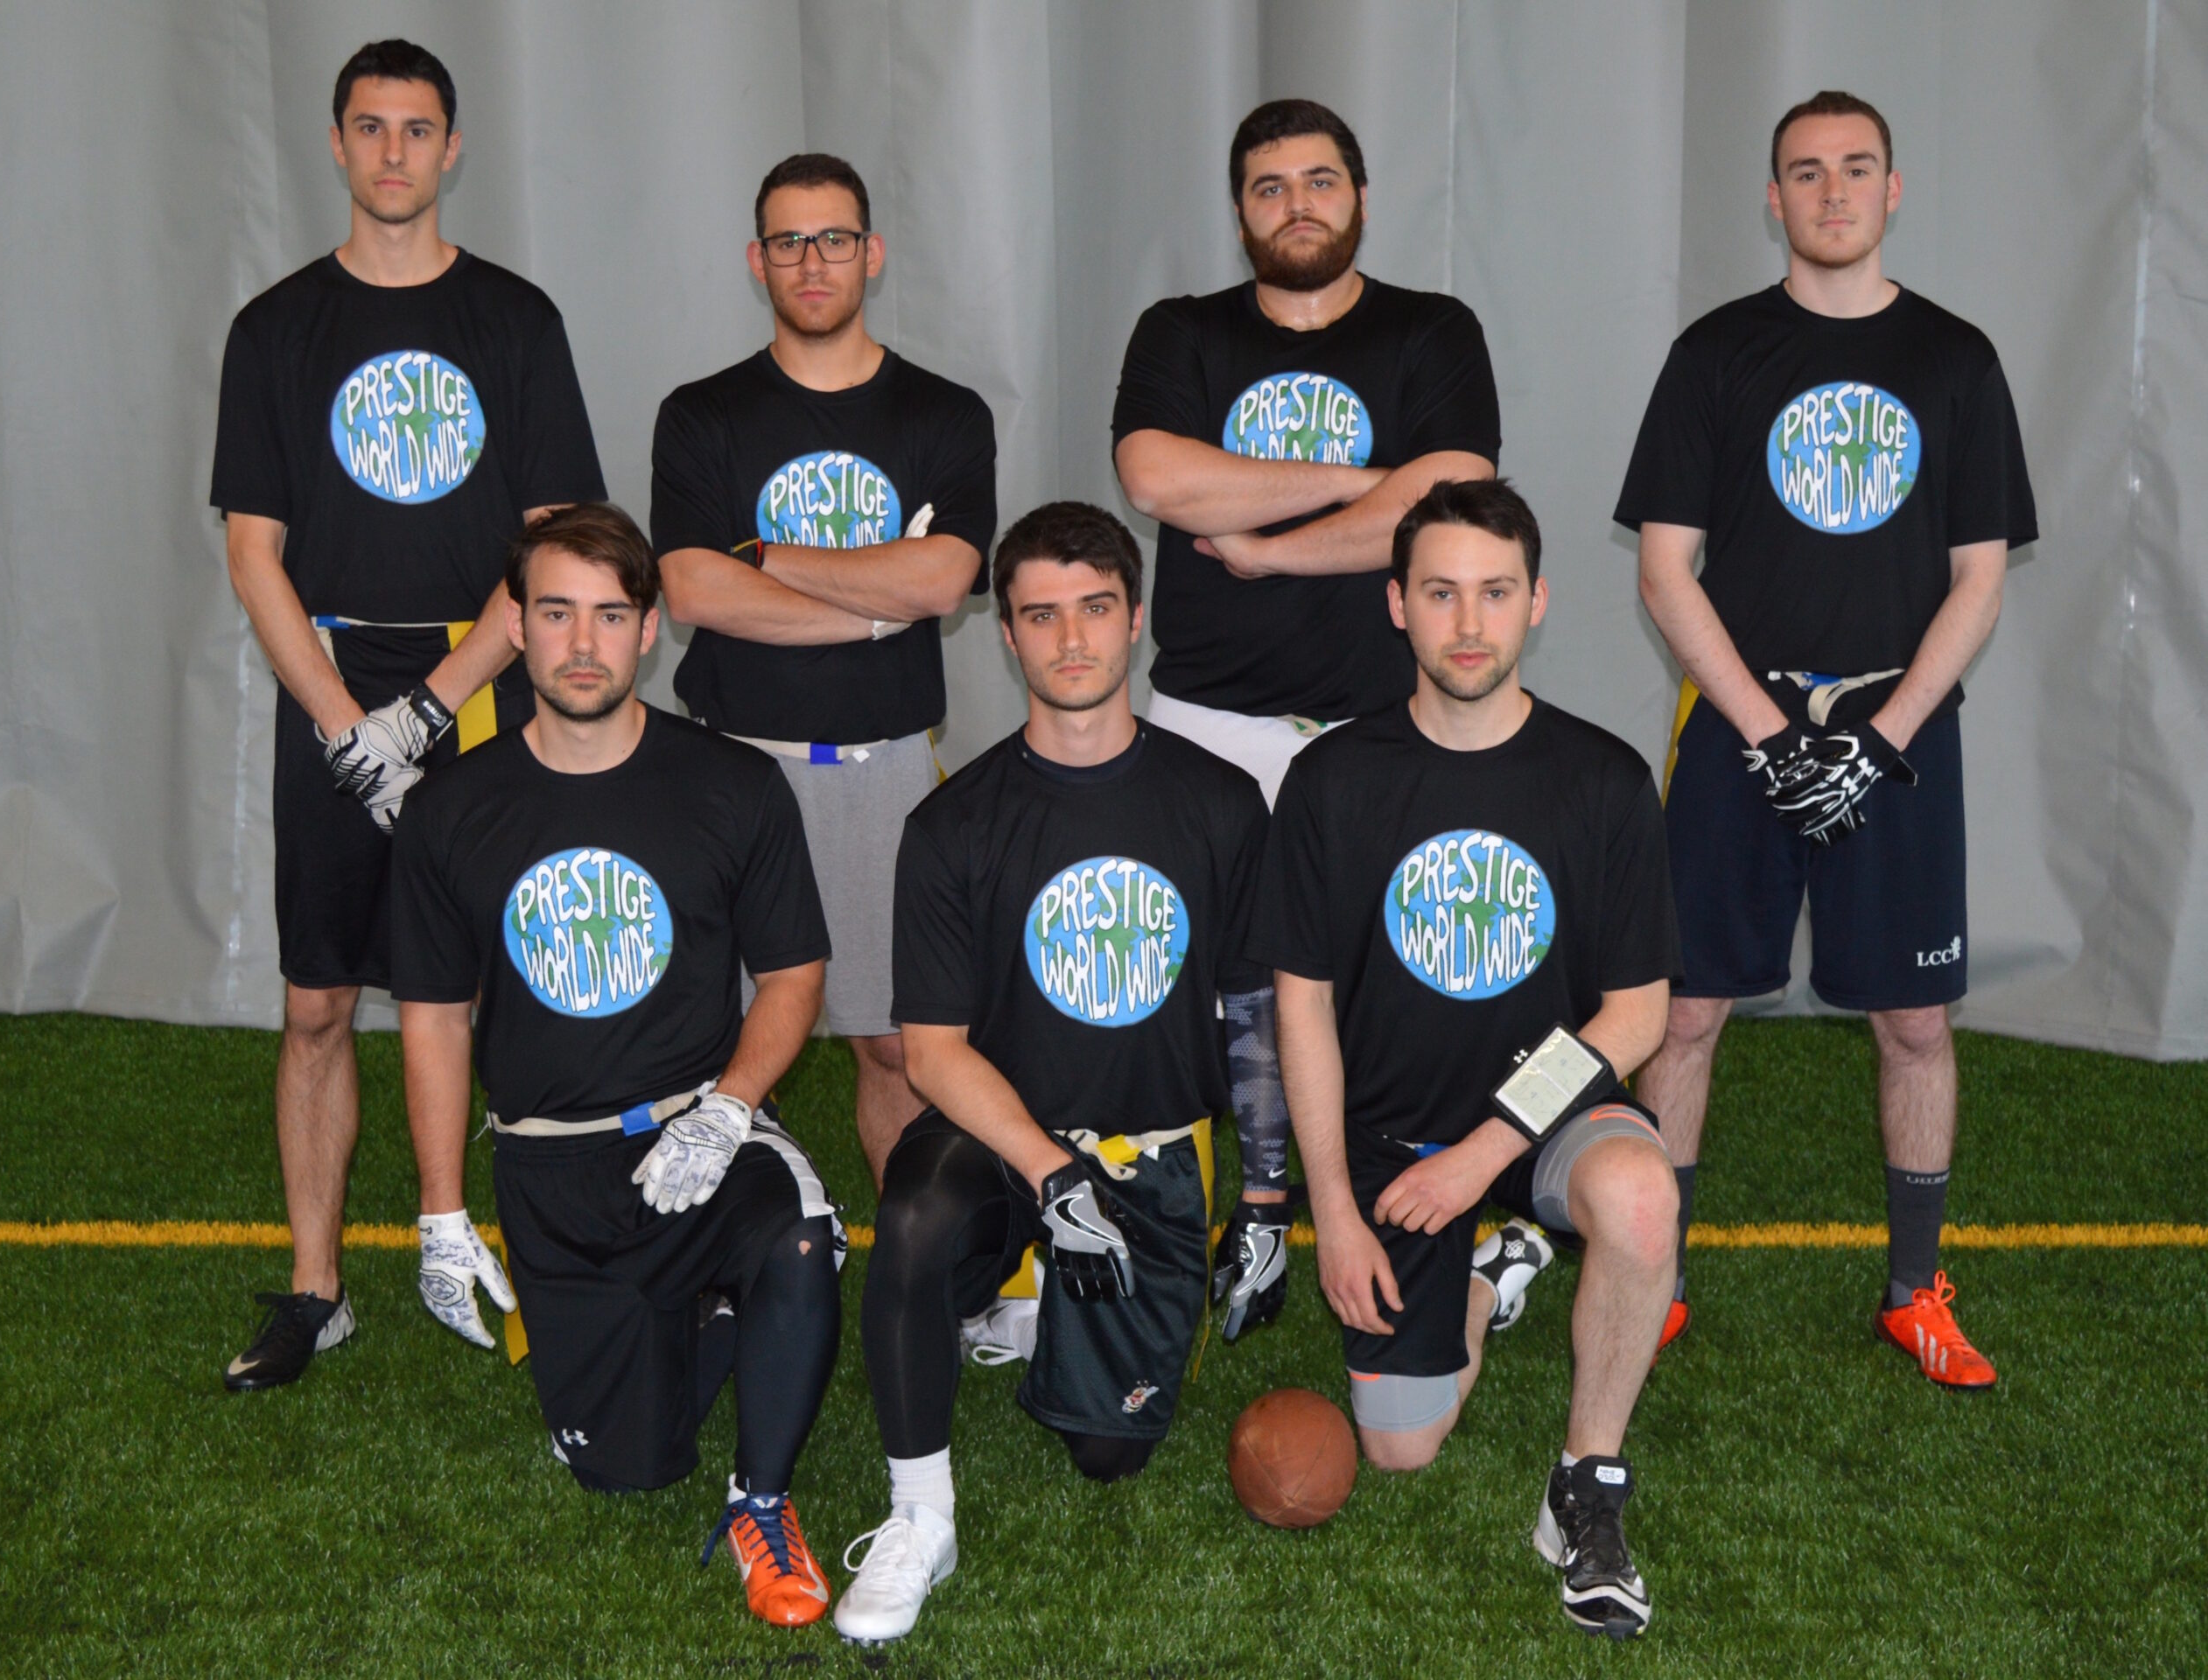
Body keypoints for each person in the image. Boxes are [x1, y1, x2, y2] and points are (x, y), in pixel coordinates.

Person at [1618, 91, 2036, 1386]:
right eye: (1806, 171)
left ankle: (1914, 1292)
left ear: (1893, 189)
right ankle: (1655, 1283)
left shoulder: (1956, 360)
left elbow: (1979, 579)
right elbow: (1666, 571)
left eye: (1857, 168)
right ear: (1773, 197)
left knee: (1913, 1021)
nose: (1833, 190)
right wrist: (1768, 735)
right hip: (1739, 729)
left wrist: (1877, 741)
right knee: (1685, 1012)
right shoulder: (1716, 353)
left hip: (1895, 740)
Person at [208, 38, 606, 1390]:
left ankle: (552, 1266)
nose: (392, 152)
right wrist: (347, 729)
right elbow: (253, 553)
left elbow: (558, 549)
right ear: (336, 144)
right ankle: (317, 1288)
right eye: (369, 127)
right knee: (319, 1000)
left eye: (416, 128)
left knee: (516, 992)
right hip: (329, 684)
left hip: (483, 686)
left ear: (452, 147)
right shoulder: (275, 328)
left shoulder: (515, 320)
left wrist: (426, 715)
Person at [831, 502, 1292, 1645]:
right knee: (916, 1219)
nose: (1071, 639)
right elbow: (932, 1052)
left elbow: (1255, 1012)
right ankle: (918, 1514)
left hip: (1149, 1148)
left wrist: (1266, 1192)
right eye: (1041, 616)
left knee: (1107, 1454)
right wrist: (1049, 1175)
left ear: (1135, 620)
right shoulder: (954, 823)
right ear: (1007, 635)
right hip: (1004, 1138)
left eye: (1094, 609)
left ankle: (1045, 1314)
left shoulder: (1220, 803)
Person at [389, 503, 844, 1628]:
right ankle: (704, 1321)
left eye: (609, 615)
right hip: (553, 1173)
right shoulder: (450, 809)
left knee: (798, 1235)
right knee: (627, 1469)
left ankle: (762, 1503)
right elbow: (435, 1019)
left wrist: (732, 1107)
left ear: (650, 629)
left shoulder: (733, 784)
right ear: (517, 627)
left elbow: (794, 975)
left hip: (698, 1134)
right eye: (556, 614)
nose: (583, 643)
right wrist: (441, 1211)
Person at [1252, 480, 1684, 1641]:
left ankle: (1587, 1485)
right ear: (1397, 604)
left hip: (1542, 1128)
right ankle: (1491, 1276)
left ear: (1536, 601)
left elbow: (1637, 1015)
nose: (1469, 623)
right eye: (1440, 593)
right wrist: (1334, 1211)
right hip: (1393, 1143)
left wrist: (1488, 1148)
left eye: (1495, 593)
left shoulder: (1601, 779)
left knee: (1642, 1200)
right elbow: (1302, 1008)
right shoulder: (1334, 780)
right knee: (1401, 1447)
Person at [652, 152, 998, 1190]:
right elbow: (693, 592)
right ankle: (721, 1255)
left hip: (882, 770)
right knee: (714, 1040)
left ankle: (912, 1257)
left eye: (835, 239)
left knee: (893, 1043)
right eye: (790, 242)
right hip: (731, 767)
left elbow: (945, 579)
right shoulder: (703, 414)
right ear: (756, 260)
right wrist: (879, 608)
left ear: (871, 254)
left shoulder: (944, 414)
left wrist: (765, 555)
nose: (813, 262)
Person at [1111, 97, 1501, 806]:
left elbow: (1451, 506)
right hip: (1206, 720)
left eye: (1320, 181)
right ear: (1240, 217)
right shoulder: (1181, 330)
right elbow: (1154, 481)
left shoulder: (1433, 329)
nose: (1298, 205)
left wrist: (1266, 553)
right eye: (1271, 188)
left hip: (1390, 718)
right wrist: (1363, 481)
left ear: (1362, 201)